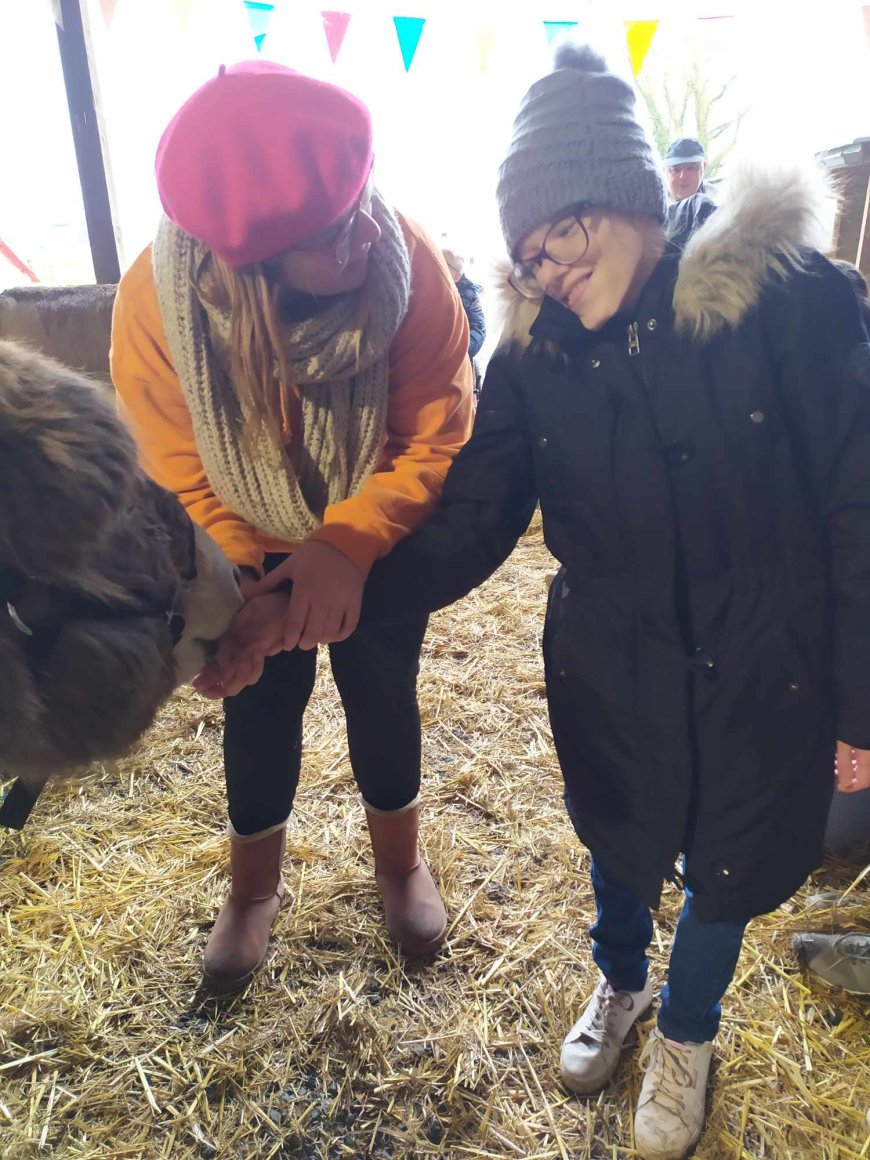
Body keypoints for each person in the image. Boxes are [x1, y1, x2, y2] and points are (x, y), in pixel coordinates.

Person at [209, 42, 870, 1158]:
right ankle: (618, 985)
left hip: (771, 657)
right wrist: (321, 591)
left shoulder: (792, 303)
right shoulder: (537, 356)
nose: (551, 263)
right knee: (618, 837)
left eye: (565, 224)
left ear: (621, 188)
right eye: (527, 248)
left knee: (730, 862)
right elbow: (473, 517)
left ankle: (690, 1031)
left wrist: (860, 706)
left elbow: (860, 503)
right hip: (612, 654)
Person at [110, 61, 474, 992]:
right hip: (242, 538)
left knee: (383, 689)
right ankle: (252, 892)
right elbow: (171, 452)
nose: (363, 238)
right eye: (328, 235)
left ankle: (399, 863)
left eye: (359, 206)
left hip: (374, 538)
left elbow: (434, 427)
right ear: (249, 260)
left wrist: (347, 546)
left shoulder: (407, 262)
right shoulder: (160, 299)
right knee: (259, 707)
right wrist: (238, 584)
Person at [663, 137, 716, 246]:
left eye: (691, 168)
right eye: (676, 170)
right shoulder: (658, 208)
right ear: (665, 171)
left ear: (704, 167)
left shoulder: (715, 197)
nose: (683, 176)